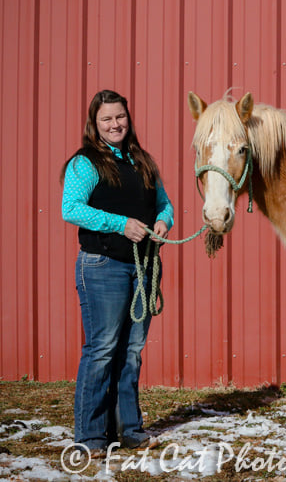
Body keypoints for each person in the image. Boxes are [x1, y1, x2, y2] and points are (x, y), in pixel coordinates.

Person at [61, 89, 174, 455]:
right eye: (107, 118)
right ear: (94, 124)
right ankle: (91, 436)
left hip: (141, 267)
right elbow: (71, 209)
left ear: (129, 118)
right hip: (103, 265)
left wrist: (163, 220)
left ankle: (129, 429)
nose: (115, 124)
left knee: (132, 351)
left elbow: (164, 204)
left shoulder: (141, 161)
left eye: (120, 117)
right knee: (103, 350)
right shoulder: (86, 163)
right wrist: (120, 224)